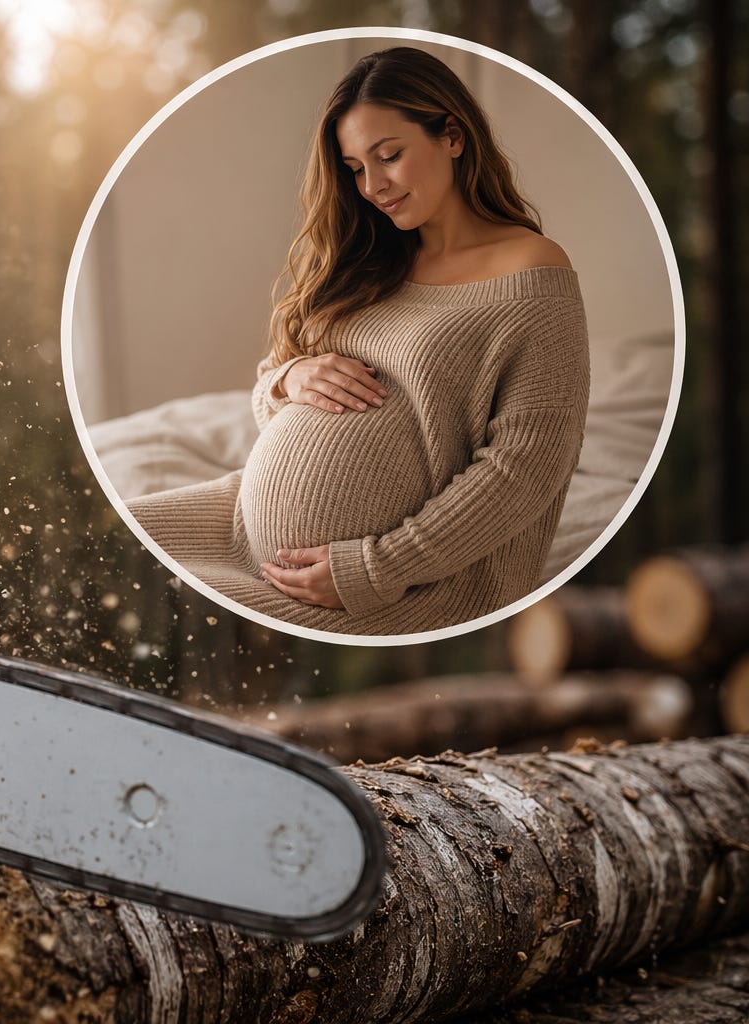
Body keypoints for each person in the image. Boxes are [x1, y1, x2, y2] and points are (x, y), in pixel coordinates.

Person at [126, 47, 588, 636]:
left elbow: (526, 467)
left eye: (389, 156)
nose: (371, 186)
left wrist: (375, 568)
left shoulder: (532, 270)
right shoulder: (373, 258)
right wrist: (290, 378)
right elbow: (273, 378)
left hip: (399, 588)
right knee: (79, 541)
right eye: (354, 168)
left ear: (452, 135)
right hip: (236, 521)